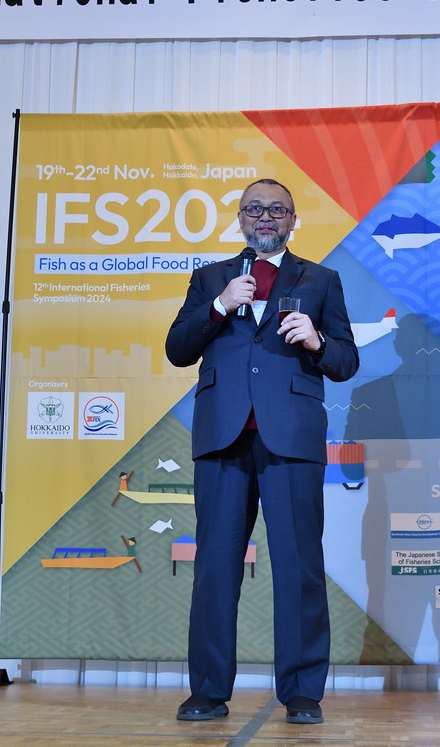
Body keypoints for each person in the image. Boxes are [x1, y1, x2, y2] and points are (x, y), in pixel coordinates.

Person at [165, 178, 359, 725]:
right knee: (215, 568)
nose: (265, 217)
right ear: (240, 219)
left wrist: (317, 341)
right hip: (222, 438)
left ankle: (301, 692)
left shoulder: (322, 280)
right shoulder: (210, 279)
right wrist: (219, 307)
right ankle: (208, 690)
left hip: (291, 438)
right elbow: (178, 350)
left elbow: (346, 362)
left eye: (277, 209)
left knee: (299, 567)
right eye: (255, 209)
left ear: (293, 220)